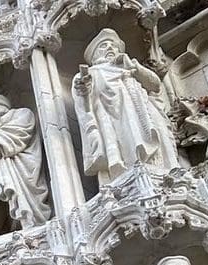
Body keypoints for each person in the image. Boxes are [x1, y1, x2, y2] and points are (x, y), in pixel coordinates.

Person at [72, 28, 179, 180]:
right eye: (103, 45)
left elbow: (155, 85)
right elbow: (85, 106)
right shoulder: (93, 73)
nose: (109, 47)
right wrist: (83, 90)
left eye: (113, 45)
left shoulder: (130, 67)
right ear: (95, 56)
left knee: (159, 140)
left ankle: (167, 173)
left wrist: (135, 68)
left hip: (146, 115)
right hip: (119, 119)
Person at [0, 96, 50, 245]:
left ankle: (33, 230)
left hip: (21, 173)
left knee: (25, 206)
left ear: (0, 108)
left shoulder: (21, 114)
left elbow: (18, 135)